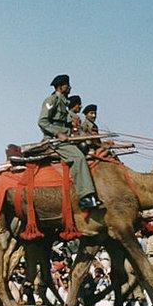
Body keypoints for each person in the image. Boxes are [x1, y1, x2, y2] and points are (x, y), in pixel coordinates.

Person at [39, 74, 98, 209]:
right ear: (61, 86)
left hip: (66, 137)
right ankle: (85, 197)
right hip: (54, 140)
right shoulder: (51, 100)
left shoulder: (63, 102)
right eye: (67, 85)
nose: (70, 87)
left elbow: (61, 121)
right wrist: (58, 133)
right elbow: (42, 121)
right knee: (78, 158)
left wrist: (70, 124)